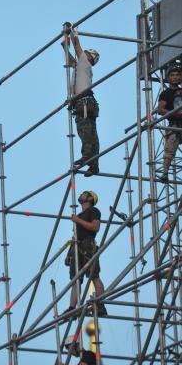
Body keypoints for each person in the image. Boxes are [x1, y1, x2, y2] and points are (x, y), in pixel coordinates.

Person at [62, 24, 100, 177]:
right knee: (91, 133)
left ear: (89, 57)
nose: (82, 54)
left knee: (85, 131)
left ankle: (87, 156)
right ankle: (93, 164)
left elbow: (77, 47)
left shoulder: (84, 62)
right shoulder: (81, 67)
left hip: (84, 102)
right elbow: (71, 61)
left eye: (85, 54)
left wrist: (72, 33)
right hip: (86, 102)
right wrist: (65, 47)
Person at [64, 190, 107, 316]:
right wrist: (69, 253)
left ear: (89, 199)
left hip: (88, 245)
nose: (81, 194)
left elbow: (95, 227)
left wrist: (77, 220)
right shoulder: (80, 215)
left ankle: (100, 305)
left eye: (84, 193)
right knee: (75, 280)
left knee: (94, 276)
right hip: (77, 246)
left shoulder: (93, 211)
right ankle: (72, 308)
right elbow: (75, 236)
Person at [157, 66, 182, 183]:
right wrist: (174, 114)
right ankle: (165, 173)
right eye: (172, 75)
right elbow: (160, 109)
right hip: (174, 124)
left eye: (177, 75)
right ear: (168, 78)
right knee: (170, 149)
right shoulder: (165, 93)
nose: (175, 77)